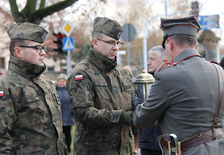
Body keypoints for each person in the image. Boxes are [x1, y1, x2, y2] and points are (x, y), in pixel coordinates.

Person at [133, 16, 224, 155]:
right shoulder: (219, 71)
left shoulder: (168, 76)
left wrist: (139, 104)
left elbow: (143, 120)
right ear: (196, 46)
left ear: (169, 43)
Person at [67, 17, 134, 155]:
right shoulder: (82, 73)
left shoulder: (122, 74)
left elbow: (132, 105)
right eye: (110, 43)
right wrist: (122, 116)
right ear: (95, 42)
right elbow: (84, 114)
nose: (115, 48)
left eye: (117, 43)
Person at [0, 22, 67, 154]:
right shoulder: (6, 86)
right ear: (18, 51)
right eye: (37, 48)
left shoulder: (46, 82)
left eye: (43, 48)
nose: (43, 53)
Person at [137, 45, 167, 155]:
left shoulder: (168, 81)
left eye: (152, 59)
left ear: (165, 61)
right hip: (147, 141)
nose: (148, 62)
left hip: (163, 141)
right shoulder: (143, 81)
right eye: (148, 59)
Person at [56, 73, 75, 153]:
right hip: (58, 117)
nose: (61, 83)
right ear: (57, 82)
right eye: (60, 81)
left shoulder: (70, 92)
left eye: (63, 81)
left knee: (67, 134)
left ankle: (68, 148)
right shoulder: (54, 91)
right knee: (58, 136)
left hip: (68, 117)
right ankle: (60, 149)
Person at [123, 65, 139, 154]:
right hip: (126, 108)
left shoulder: (133, 82)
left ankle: (136, 146)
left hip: (133, 107)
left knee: (135, 130)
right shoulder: (120, 80)